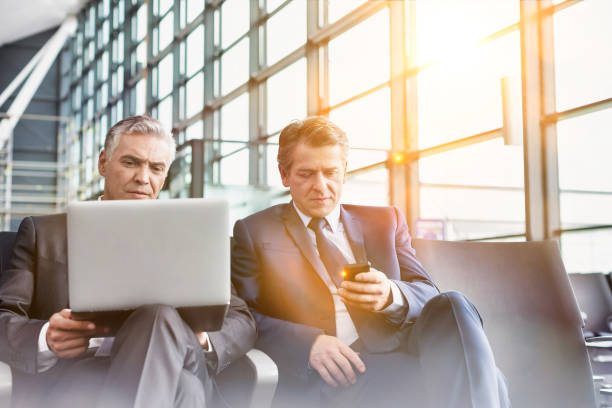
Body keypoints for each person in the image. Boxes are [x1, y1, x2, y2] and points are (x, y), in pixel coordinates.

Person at [231, 116, 510, 408]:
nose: (321, 185)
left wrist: (392, 294)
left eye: (330, 172)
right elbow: (243, 316)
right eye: (306, 174)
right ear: (284, 175)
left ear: (345, 172)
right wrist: (306, 343)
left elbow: (428, 292)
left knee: (453, 303)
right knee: (487, 377)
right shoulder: (254, 231)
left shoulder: (385, 221)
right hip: (343, 371)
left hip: (404, 344)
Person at [0, 116, 256, 408]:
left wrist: (203, 340)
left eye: (156, 168)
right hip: (85, 372)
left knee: (158, 316)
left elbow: (242, 321)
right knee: (185, 388)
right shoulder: (43, 233)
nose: (143, 178)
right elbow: (4, 315)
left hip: (181, 358)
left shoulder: (190, 234)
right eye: (131, 162)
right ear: (102, 163)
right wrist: (47, 338)